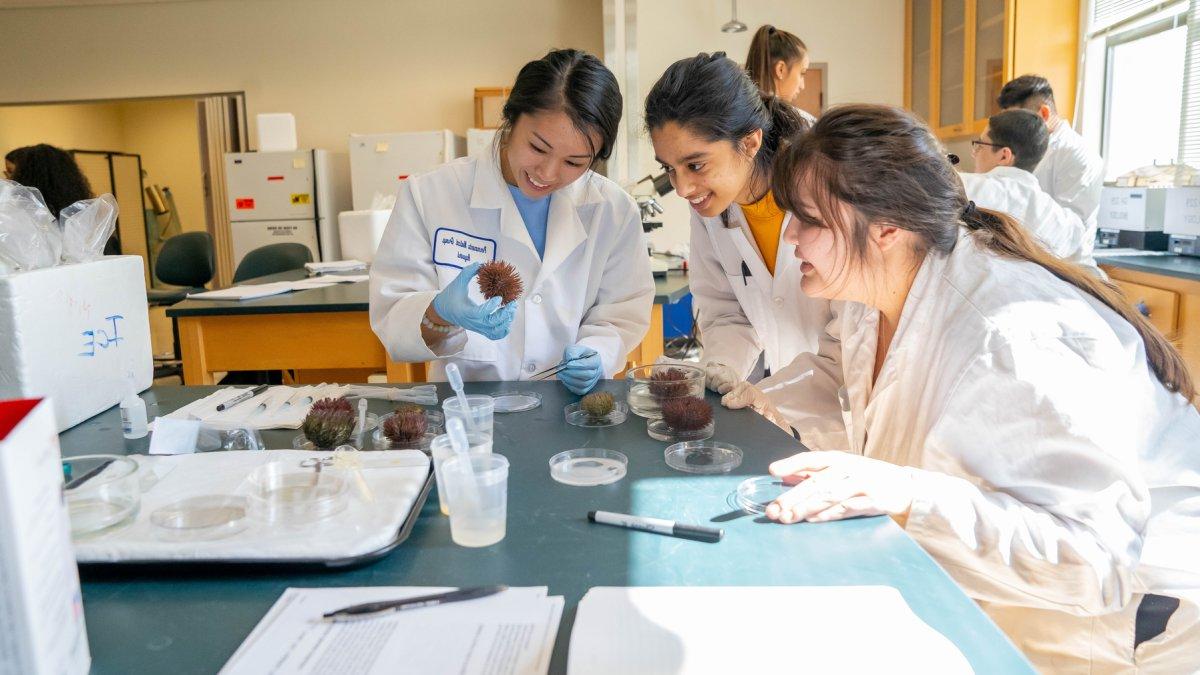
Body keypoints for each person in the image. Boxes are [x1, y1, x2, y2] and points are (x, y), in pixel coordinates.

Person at [723, 103, 1199, 671]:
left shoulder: (1013, 335)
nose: (790, 237)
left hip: (1127, 617)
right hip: (1011, 588)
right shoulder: (878, 287)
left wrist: (906, 493)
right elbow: (844, 375)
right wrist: (761, 397)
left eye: (808, 219)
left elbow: (1093, 559)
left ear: (887, 226)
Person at [370, 49, 653, 393]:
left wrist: (598, 353)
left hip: (569, 408)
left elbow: (622, 311)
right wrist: (441, 313)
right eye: (537, 147)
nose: (547, 174)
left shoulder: (613, 210)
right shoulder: (431, 194)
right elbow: (393, 317)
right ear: (510, 119)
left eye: (575, 163)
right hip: (472, 409)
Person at [645, 52, 832, 395]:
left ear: (749, 142)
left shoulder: (826, 187)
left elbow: (857, 329)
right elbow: (727, 310)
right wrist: (722, 366)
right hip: (791, 394)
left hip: (852, 395)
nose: (682, 188)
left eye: (695, 165)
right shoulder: (712, 205)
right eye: (669, 168)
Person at [961, 109, 1096, 269]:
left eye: (980, 145)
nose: (974, 153)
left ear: (1004, 156)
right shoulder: (1061, 220)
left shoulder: (968, 187)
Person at [998, 75, 1104, 242]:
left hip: (1062, 263)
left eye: (1018, 122)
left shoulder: (1078, 154)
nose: (1011, 131)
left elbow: (1069, 228)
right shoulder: (1027, 150)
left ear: (1044, 113)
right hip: (1031, 256)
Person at [744, 25, 814, 122]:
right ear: (780, 69)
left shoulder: (736, 116)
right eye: (802, 73)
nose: (802, 86)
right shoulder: (800, 122)